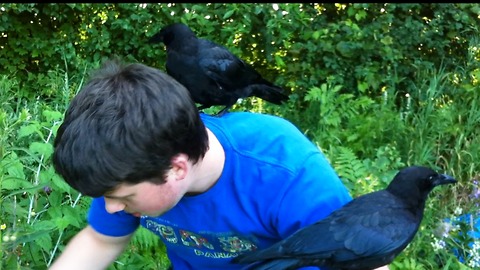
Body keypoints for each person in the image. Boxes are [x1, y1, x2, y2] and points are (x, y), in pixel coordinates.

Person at [49, 59, 388, 270]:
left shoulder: (285, 172)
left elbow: (365, 262)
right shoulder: (127, 162)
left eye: (122, 198)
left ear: (176, 169)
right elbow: (101, 239)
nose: (111, 208)